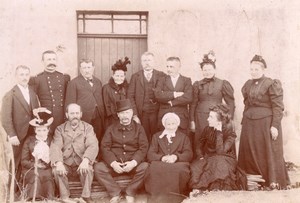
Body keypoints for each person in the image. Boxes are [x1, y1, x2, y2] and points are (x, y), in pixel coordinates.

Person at [238, 55, 290, 189]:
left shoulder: (271, 83)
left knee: (266, 151)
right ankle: (253, 181)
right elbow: (247, 105)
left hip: (266, 124)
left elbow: (277, 106)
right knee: (250, 151)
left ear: (263, 69)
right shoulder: (248, 84)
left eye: (256, 69)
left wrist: (275, 126)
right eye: (251, 69)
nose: (253, 71)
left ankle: (271, 180)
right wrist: (244, 122)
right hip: (250, 124)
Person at [94, 99, 149, 203]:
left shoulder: (139, 128)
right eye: (122, 113)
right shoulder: (111, 129)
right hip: (115, 166)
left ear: (132, 113)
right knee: (98, 168)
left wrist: (133, 163)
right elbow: (104, 147)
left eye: (127, 112)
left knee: (146, 167)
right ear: (118, 115)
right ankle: (115, 192)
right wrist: (113, 163)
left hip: (132, 166)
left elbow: (143, 147)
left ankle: (130, 192)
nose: (125, 116)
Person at [189, 104, 245, 192]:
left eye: (211, 117)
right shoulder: (207, 129)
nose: (207, 119)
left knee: (218, 166)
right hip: (209, 157)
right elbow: (199, 145)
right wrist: (200, 156)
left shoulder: (230, 133)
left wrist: (219, 132)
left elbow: (220, 152)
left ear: (220, 120)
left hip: (226, 158)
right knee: (195, 168)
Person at [50, 103, 99, 203]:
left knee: (88, 168)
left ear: (81, 114)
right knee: (56, 170)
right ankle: (65, 197)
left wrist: (86, 160)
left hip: (81, 162)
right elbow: (55, 146)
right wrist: (59, 163)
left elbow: (93, 145)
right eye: (72, 113)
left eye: (77, 113)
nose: (75, 116)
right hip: (66, 163)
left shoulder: (88, 128)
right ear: (67, 115)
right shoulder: (60, 129)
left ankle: (85, 196)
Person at [190, 51, 235, 152]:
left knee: (217, 137)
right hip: (200, 117)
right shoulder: (197, 84)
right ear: (201, 71)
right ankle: (200, 159)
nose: (207, 72)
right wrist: (192, 120)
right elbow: (193, 104)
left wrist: (229, 119)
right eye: (205, 70)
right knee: (201, 137)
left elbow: (231, 103)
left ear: (214, 69)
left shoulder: (223, 83)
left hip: (218, 116)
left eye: (210, 69)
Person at [1, 65, 40, 181]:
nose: (24, 77)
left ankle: (26, 190)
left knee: (29, 161)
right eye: (21, 75)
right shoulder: (10, 94)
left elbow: (35, 112)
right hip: (17, 136)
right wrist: (12, 135)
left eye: (26, 74)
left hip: (31, 134)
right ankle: (13, 193)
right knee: (16, 163)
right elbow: (5, 118)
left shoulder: (32, 93)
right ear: (16, 77)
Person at [145, 112, 193, 203]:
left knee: (180, 170)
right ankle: (157, 199)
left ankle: (176, 198)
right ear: (164, 124)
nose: (171, 127)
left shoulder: (184, 137)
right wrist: (162, 158)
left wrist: (176, 157)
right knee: (154, 168)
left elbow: (189, 153)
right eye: (168, 124)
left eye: (173, 124)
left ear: (177, 124)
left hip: (178, 163)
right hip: (160, 162)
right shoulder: (156, 136)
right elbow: (150, 154)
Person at [65, 59, 105, 149]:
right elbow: (70, 103)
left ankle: (96, 157)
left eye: (89, 67)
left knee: (98, 136)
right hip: (84, 116)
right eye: (84, 68)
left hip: (98, 115)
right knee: (84, 138)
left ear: (93, 68)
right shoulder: (74, 83)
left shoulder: (98, 82)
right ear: (80, 69)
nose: (87, 70)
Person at [29, 50, 70, 136]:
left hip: (63, 116)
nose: (52, 62)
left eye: (53, 59)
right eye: (49, 60)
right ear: (42, 62)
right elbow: (32, 100)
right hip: (46, 117)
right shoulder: (36, 79)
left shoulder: (64, 77)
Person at [127, 52, 166, 141]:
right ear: (141, 62)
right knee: (143, 137)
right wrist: (135, 115)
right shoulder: (135, 76)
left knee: (157, 136)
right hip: (142, 113)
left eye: (149, 60)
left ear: (154, 62)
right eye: (144, 60)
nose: (147, 63)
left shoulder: (161, 75)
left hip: (157, 112)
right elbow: (130, 96)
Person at [21, 108, 55, 200]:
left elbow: (55, 154)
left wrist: (48, 164)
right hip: (31, 168)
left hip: (47, 167)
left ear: (48, 130)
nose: (41, 133)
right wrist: (35, 164)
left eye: (44, 130)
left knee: (47, 176)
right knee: (36, 175)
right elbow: (23, 161)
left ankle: (48, 198)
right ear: (35, 130)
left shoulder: (51, 140)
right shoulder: (29, 140)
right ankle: (34, 198)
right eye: (39, 130)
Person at [154, 56, 193, 134]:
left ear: (179, 67)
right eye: (167, 66)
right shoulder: (162, 80)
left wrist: (172, 102)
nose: (169, 69)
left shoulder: (186, 80)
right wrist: (174, 94)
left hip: (181, 117)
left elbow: (188, 97)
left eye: (171, 67)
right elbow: (158, 95)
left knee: (182, 141)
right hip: (165, 116)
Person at [103, 57, 130, 128]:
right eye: (117, 76)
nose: (119, 78)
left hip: (125, 118)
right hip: (111, 119)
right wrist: (113, 115)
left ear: (124, 77)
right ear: (113, 76)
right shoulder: (106, 88)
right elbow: (106, 104)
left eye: (121, 76)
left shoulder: (127, 87)